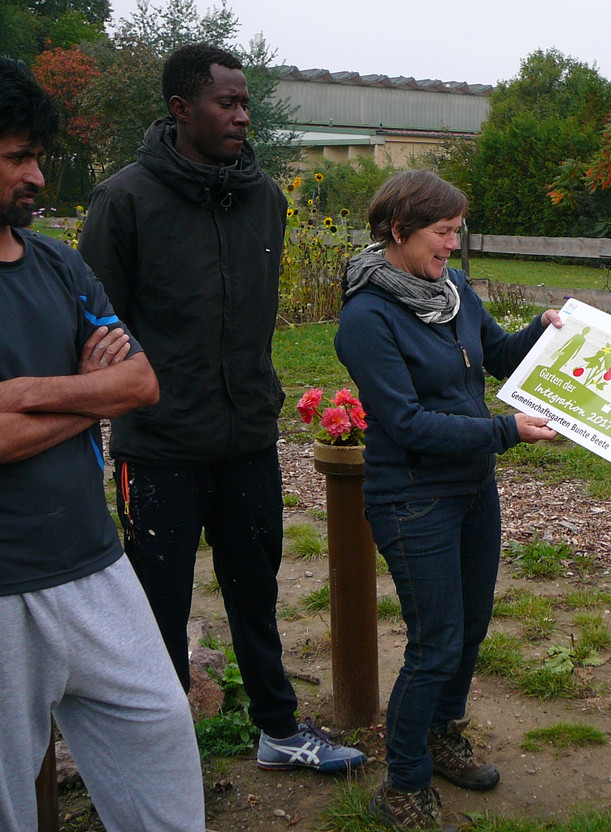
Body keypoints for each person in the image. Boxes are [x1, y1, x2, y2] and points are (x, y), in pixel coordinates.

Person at [77, 43, 366, 773]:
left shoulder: (263, 197)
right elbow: (91, 323)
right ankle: (161, 751)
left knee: (256, 589)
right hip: (159, 445)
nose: (243, 116)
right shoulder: (125, 200)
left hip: (245, 440)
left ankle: (277, 728)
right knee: (157, 604)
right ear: (181, 111)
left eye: (245, 103)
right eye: (226, 103)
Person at [0, 56, 206, 831]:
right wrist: (91, 398)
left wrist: (29, 396)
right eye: (19, 157)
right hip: (3, 586)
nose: (38, 179)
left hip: (94, 566)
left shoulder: (56, 262)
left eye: (37, 157)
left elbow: (141, 385)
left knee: (158, 742)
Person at [335, 169, 562, 832]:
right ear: (399, 230)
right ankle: (402, 786)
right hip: (412, 497)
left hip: (470, 488)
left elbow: (495, 355)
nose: (452, 243)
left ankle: (439, 737)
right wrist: (504, 430)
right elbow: (403, 423)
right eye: (443, 231)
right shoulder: (367, 318)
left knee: (468, 630)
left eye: (456, 230)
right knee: (434, 642)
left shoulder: (451, 288)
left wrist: (543, 331)